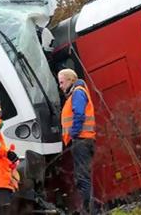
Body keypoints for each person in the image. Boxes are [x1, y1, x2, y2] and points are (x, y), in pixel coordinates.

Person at [58, 68, 96, 213]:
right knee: (83, 177)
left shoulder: (78, 93)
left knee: (83, 179)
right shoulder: (77, 93)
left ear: (70, 80)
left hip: (81, 140)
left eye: (61, 82)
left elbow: (79, 114)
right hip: (84, 140)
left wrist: (73, 133)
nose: (60, 86)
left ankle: (89, 211)